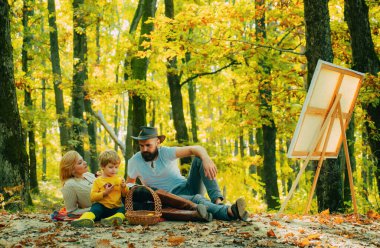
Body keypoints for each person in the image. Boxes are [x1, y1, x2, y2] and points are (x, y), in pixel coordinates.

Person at [127, 126, 248, 221]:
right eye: (141, 146)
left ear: (158, 142)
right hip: (170, 198)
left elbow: (196, 148)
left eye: (148, 145)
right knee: (197, 199)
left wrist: (206, 158)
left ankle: (218, 202)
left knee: (199, 159)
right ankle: (229, 212)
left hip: (187, 186)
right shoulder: (134, 161)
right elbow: (129, 187)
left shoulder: (166, 152)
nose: (144, 150)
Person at [71, 150, 127, 227]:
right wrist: (104, 193)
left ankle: (114, 219)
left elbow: (125, 195)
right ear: (102, 167)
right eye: (110, 167)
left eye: (116, 167)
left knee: (123, 209)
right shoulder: (98, 181)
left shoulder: (119, 179)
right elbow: (92, 197)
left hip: (115, 208)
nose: (114, 170)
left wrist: (124, 187)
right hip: (102, 208)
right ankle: (85, 219)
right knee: (96, 208)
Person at [59, 150, 95, 215]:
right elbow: (71, 212)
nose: (85, 163)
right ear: (71, 169)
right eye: (80, 163)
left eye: (83, 160)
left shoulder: (88, 174)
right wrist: (93, 209)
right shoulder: (69, 184)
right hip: (101, 210)